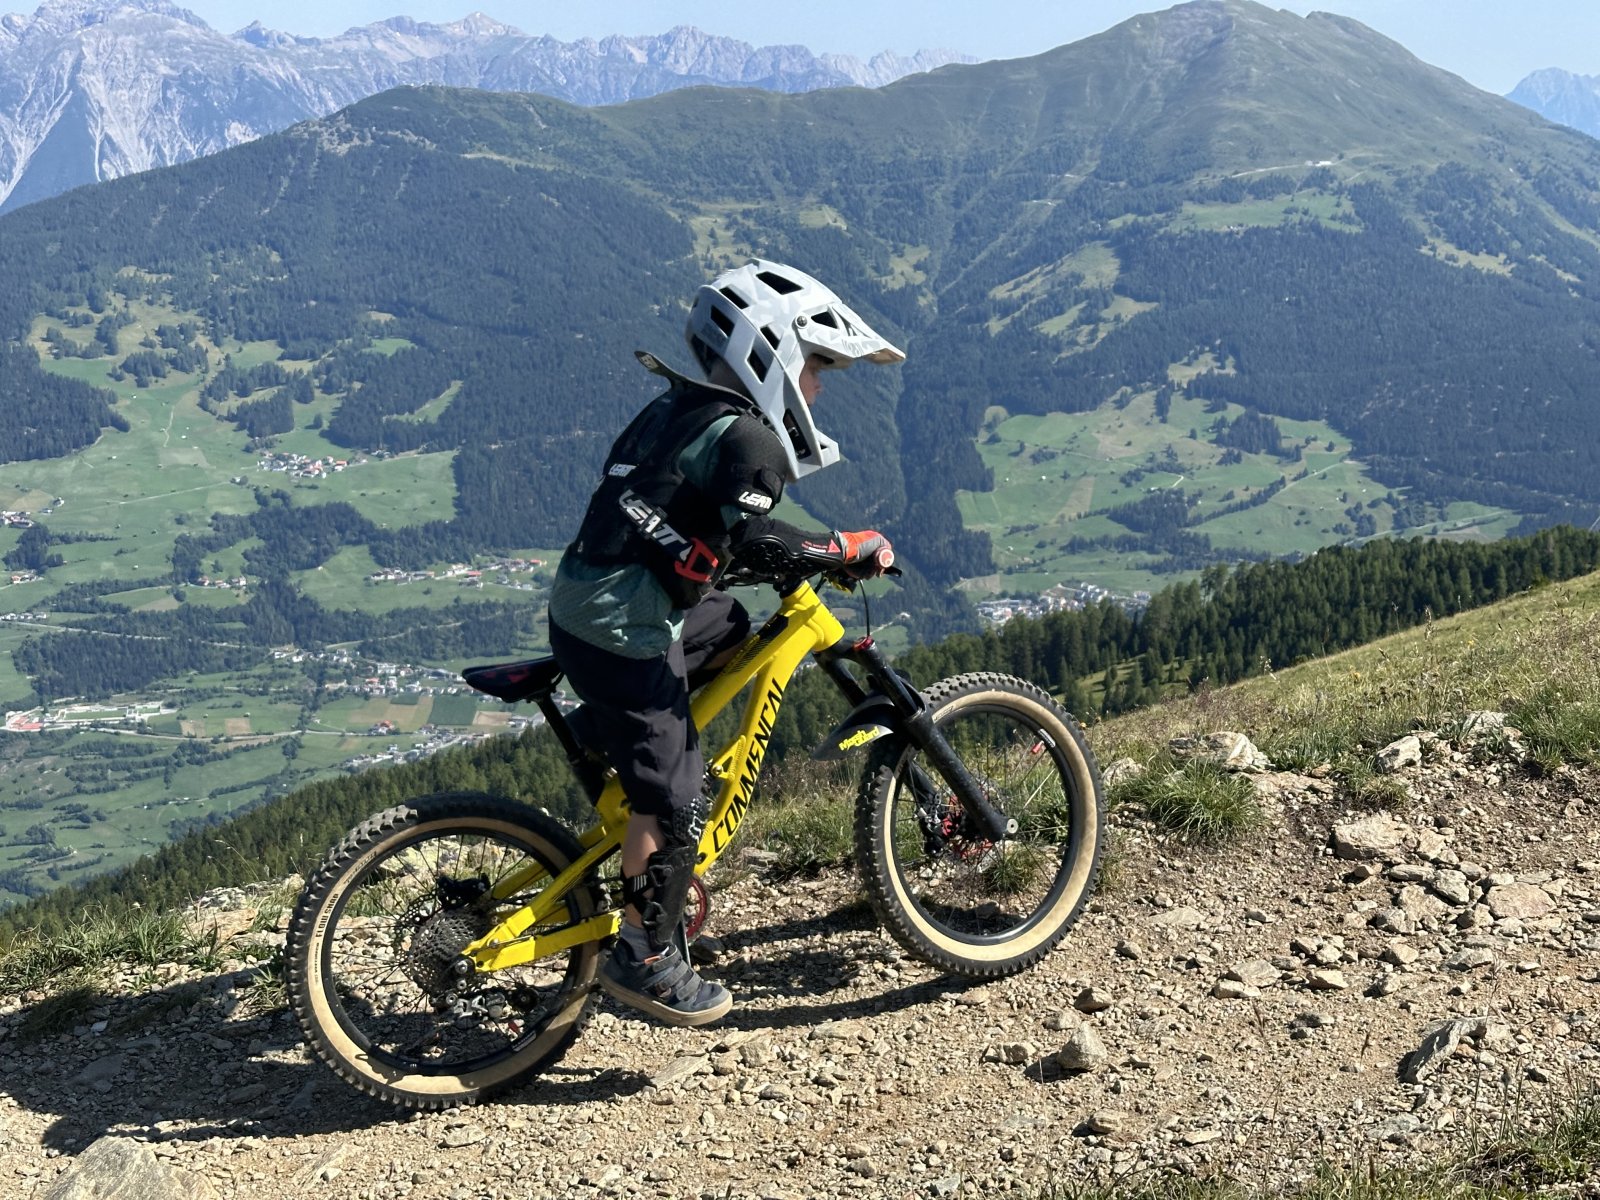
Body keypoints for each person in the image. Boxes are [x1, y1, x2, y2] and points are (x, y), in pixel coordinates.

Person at [547, 260, 905, 1026]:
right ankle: (645, 956)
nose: (817, 390)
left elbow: (697, 529)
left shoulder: (681, 407)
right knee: (678, 799)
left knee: (730, 626)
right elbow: (763, 542)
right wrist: (844, 547)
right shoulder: (749, 441)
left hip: (590, 602)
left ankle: (613, 733)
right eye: (816, 368)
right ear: (773, 353)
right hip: (624, 630)